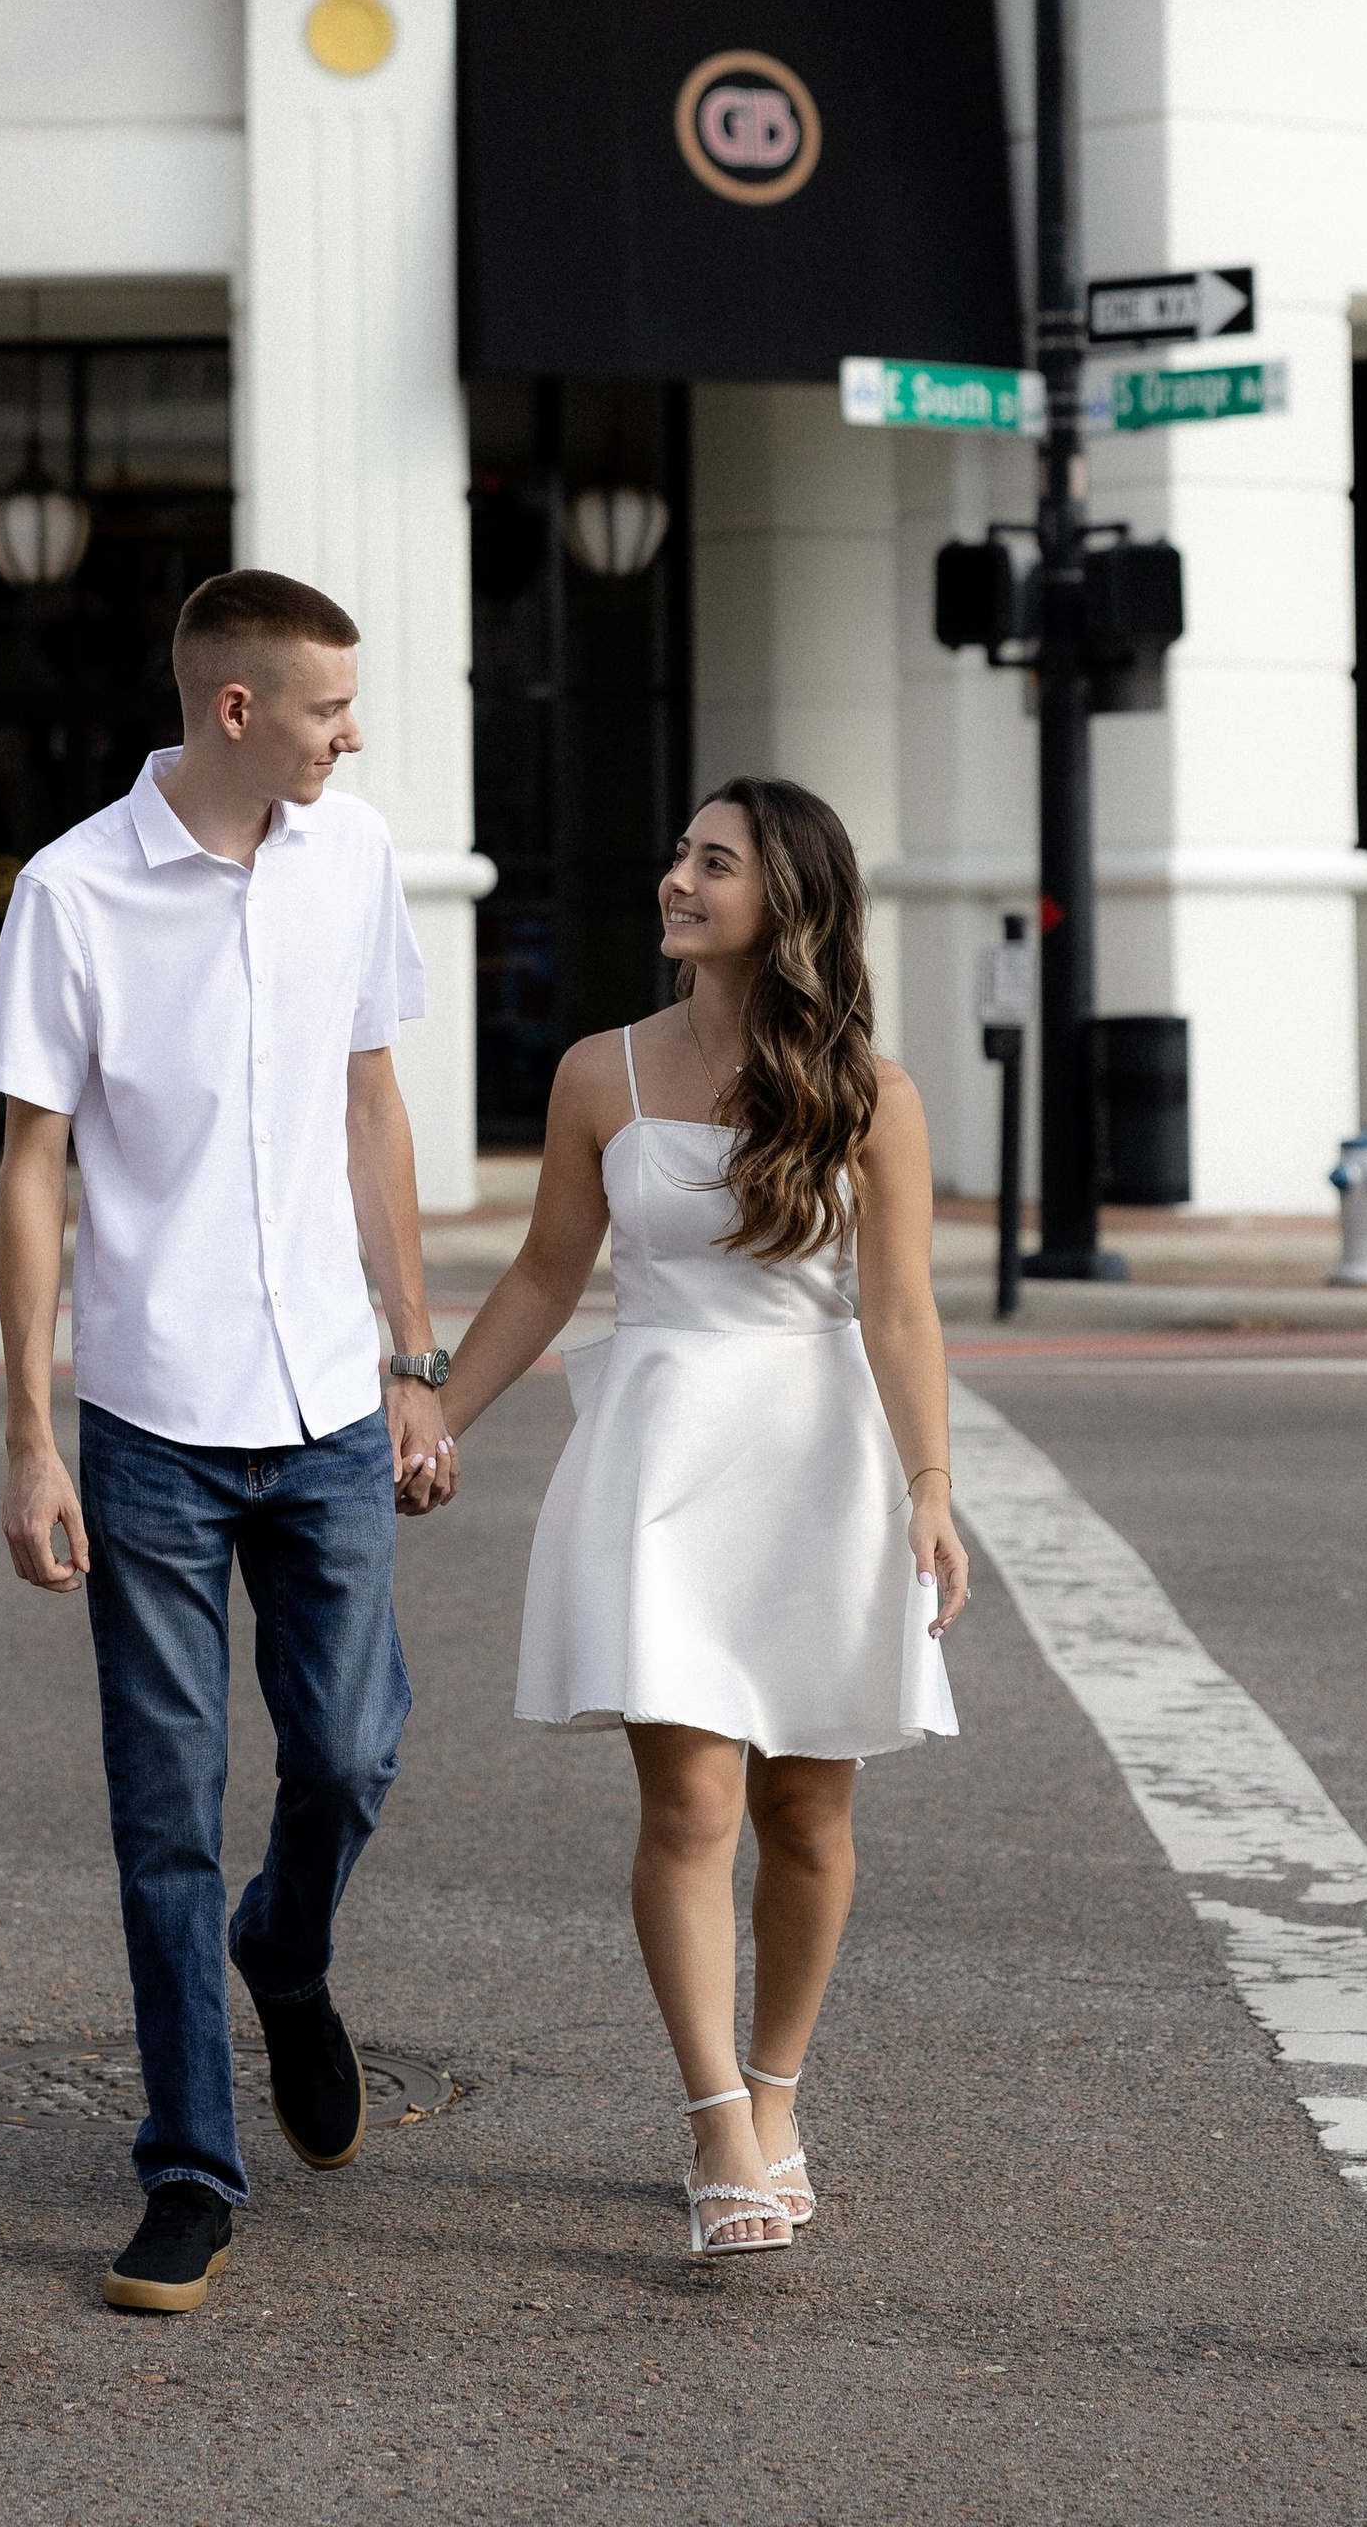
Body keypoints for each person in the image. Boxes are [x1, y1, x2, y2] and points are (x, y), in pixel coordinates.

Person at [0, 568, 456, 2317]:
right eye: (329, 706)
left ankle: (291, 1953)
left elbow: (370, 1101)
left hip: (329, 1398)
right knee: (164, 1809)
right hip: (154, 1417)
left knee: (351, 1756)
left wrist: (415, 1361)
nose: (353, 732)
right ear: (236, 709)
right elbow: (34, 1167)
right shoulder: (77, 892)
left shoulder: (357, 851)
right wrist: (32, 1433)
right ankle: (187, 2167)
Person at [435, 775, 966, 2261]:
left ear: (780, 903)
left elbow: (901, 1308)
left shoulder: (872, 1091)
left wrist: (931, 1488)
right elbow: (548, 1273)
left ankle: (780, 2089)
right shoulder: (600, 1074)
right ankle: (716, 2122)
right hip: (662, 1465)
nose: (675, 878)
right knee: (692, 1808)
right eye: (679, 852)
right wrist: (437, 1412)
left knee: (808, 1813)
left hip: (819, 1466)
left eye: (712, 862)